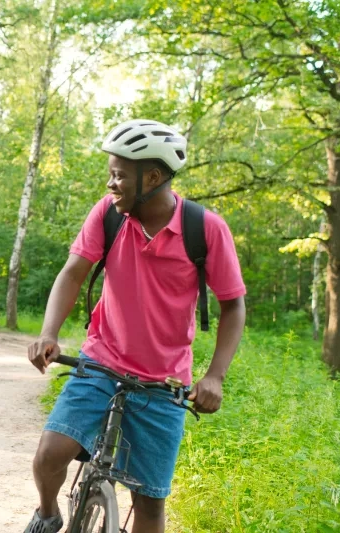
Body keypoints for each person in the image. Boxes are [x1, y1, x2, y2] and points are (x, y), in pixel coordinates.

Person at [24, 120, 247, 533]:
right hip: (101, 362)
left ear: (154, 177)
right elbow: (73, 273)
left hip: (163, 382)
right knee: (50, 454)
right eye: (111, 173)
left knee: (149, 502)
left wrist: (215, 375)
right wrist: (49, 332)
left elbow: (233, 305)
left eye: (119, 175)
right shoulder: (108, 214)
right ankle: (49, 514)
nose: (111, 183)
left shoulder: (205, 229)